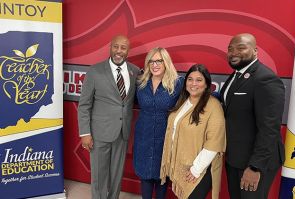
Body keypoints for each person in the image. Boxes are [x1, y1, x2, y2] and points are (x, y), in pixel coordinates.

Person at [220, 33, 285, 199]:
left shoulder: (266, 78)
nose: (234, 52)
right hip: (235, 158)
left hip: (255, 162)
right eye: (230, 49)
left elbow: (270, 128)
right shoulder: (235, 76)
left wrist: (255, 167)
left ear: (255, 51)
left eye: (241, 48)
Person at [77, 35, 140, 199]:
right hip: (99, 133)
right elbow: (84, 105)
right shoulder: (95, 70)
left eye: (123, 48)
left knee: (117, 174)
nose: (119, 51)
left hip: (122, 132)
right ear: (110, 47)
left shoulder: (135, 71)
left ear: (128, 50)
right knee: (99, 174)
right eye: (116, 46)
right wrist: (85, 133)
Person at [160, 64, 226, 199]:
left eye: (199, 80)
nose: (193, 83)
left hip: (199, 170)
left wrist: (196, 169)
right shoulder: (183, 101)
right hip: (181, 166)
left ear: (207, 84)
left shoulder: (213, 106)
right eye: (190, 79)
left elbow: (214, 143)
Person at [133, 47, 184, 199]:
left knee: (163, 176)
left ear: (166, 62)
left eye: (158, 61)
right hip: (144, 135)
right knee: (145, 175)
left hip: (165, 136)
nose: (154, 65)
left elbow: (197, 95)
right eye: (151, 61)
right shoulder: (141, 83)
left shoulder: (178, 83)